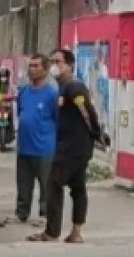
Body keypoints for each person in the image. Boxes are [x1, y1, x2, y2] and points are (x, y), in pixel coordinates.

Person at [28, 49, 108, 243]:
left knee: (54, 184)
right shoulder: (62, 87)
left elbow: (86, 112)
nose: (55, 66)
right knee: (78, 187)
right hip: (75, 147)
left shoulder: (74, 87)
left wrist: (97, 134)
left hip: (72, 148)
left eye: (59, 62)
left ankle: (52, 232)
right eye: (53, 61)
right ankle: (76, 232)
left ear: (70, 65)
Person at [14, 54, 58, 223]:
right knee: (23, 183)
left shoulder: (52, 94)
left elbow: (57, 118)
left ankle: (45, 214)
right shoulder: (24, 91)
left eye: (36, 66)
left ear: (45, 69)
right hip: (24, 147)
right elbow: (21, 113)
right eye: (30, 66)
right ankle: (21, 213)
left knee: (46, 184)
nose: (31, 69)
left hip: (45, 148)